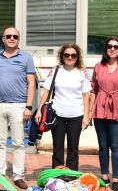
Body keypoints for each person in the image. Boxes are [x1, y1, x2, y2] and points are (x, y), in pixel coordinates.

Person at [0, 27, 36, 189]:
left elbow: (31, 83)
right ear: (3, 39)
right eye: (8, 36)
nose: (11, 38)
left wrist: (29, 107)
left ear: (18, 39)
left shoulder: (26, 58)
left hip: (18, 106)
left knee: (18, 143)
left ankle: (18, 176)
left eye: (14, 36)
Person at [89, 37, 118, 191]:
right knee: (103, 146)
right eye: (109, 46)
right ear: (106, 48)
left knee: (115, 145)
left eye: (116, 46)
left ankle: (115, 179)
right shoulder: (98, 66)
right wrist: (90, 112)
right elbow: (93, 90)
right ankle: (104, 176)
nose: (112, 49)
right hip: (100, 109)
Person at [35, 43, 90, 171]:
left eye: (73, 55)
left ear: (77, 57)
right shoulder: (55, 71)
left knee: (73, 148)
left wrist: (86, 116)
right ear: (62, 56)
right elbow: (47, 91)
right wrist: (39, 110)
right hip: (57, 115)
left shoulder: (82, 73)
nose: (70, 57)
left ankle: (71, 175)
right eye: (67, 55)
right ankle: (57, 175)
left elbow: (86, 96)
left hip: (76, 115)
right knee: (57, 147)